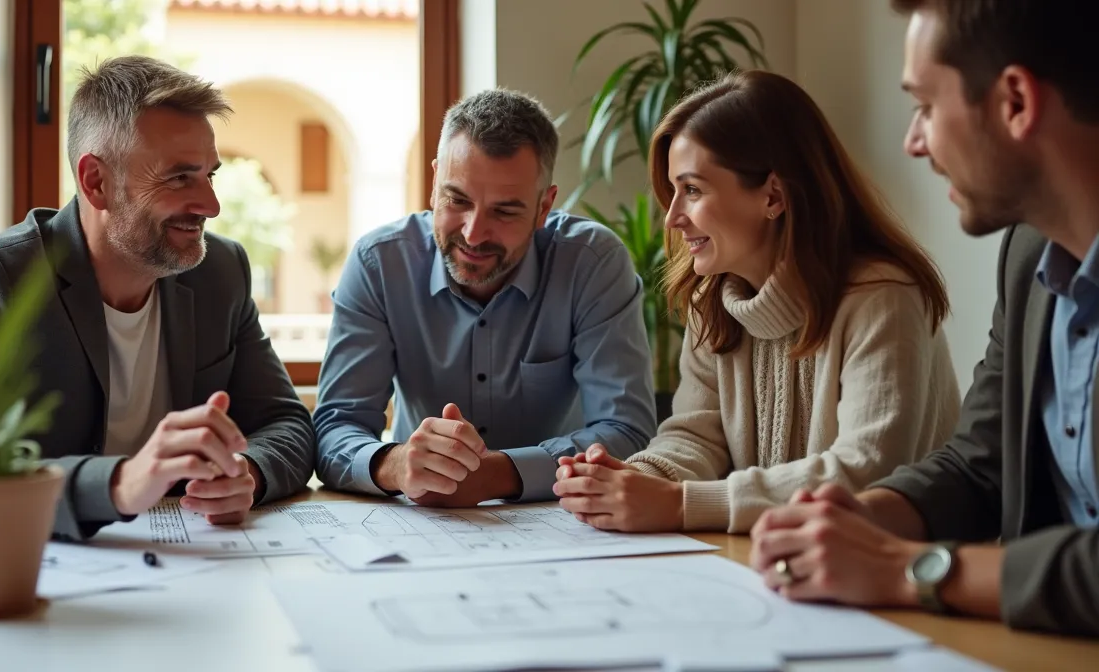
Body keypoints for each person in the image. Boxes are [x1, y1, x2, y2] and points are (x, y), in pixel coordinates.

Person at [749, 0, 1099, 637]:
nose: (914, 141)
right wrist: (865, 516)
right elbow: (977, 463)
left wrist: (909, 569)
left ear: (1016, 101)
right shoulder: (1030, 254)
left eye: (926, 107)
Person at [0, 56, 315, 542]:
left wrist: (248, 472)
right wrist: (122, 483)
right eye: (179, 177)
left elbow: (287, 423)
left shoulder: (220, 272)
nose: (211, 205)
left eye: (210, 175)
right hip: (40, 573)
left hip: (195, 566)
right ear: (96, 182)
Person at [553, 70, 961, 534]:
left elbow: (865, 472)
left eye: (692, 190)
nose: (672, 218)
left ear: (772, 195)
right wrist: (632, 479)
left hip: (897, 573)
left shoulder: (882, 297)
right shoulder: (715, 299)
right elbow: (695, 436)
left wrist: (681, 504)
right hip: (783, 559)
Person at [313, 88, 656, 506]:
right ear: (435, 180)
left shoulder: (593, 263)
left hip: (562, 518)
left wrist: (497, 475)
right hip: (421, 519)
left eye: (505, 211)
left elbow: (627, 430)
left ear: (544, 206)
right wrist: (397, 464)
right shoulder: (379, 264)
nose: (474, 233)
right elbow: (334, 430)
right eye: (457, 199)